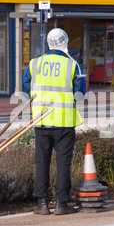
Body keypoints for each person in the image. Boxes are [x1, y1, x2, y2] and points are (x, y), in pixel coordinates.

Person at [22, 28, 86, 215]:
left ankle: (42, 204)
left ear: (48, 43)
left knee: (42, 162)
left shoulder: (34, 64)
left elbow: (26, 92)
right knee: (63, 163)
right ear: (65, 42)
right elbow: (79, 95)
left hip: (41, 121)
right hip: (64, 122)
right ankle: (61, 204)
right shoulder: (73, 65)